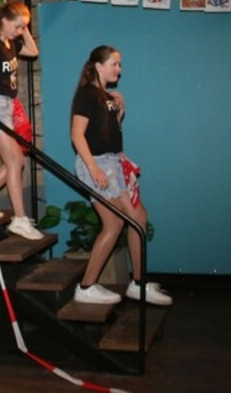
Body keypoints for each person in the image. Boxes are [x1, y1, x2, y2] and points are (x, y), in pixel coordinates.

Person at [69, 45, 172, 306]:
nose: (119, 69)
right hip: (96, 164)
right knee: (114, 224)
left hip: (114, 162)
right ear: (98, 66)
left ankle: (138, 283)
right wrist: (93, 168)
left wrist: (120, 111)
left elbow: (110, 131)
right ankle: (86, 287)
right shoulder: (87, 94)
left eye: (119, 64)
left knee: (139, 217)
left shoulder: (106, 95)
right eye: (114, 64)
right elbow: (77, 135)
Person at [0, 1, 44, 241]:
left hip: (7, 106)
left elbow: (33, 52)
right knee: (14, 162)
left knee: (17, 161)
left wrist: (24, 29)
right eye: (17, 26)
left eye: (23, 27)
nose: (20, 31)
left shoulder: (11, 43)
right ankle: (20, 219)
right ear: (4, 21)